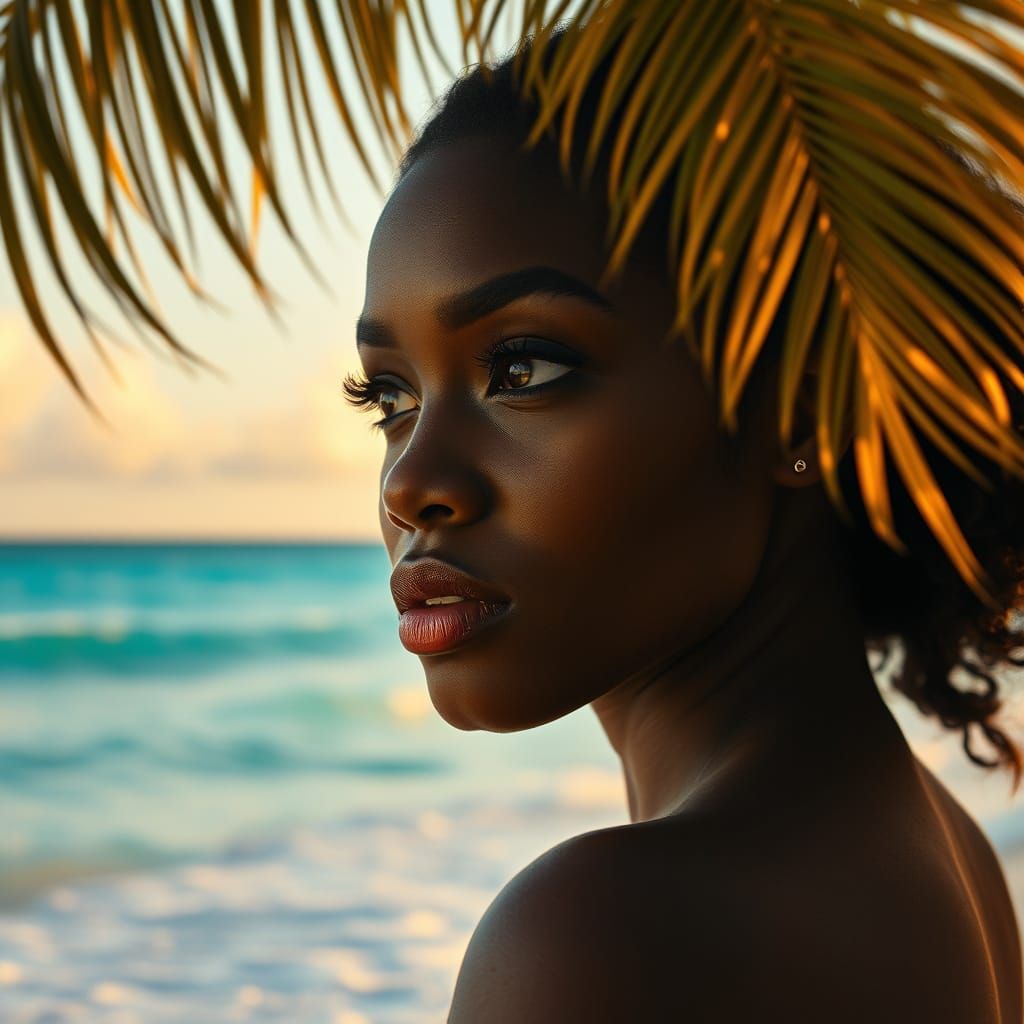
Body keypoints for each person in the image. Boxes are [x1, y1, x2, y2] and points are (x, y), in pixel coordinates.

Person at [344, 22, 1024, 1023]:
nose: (412, 482)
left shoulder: (603, 932)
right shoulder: (940, 854)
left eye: (522, 367)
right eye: (390, 397)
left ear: (799, 404)